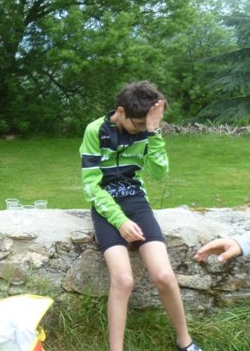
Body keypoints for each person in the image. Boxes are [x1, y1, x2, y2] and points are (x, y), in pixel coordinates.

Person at [79, 81, 201, 351]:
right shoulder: (95, 130)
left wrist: (154, 132)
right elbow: (90, 185)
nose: (140, 131)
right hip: (105, 205)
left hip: (136, 201)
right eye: (137, 125)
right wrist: (119, 221)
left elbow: (158, 174)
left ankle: (185, 341)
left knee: (165, 277)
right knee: (123, 280)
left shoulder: (148, 130)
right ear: (120, 112)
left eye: (147, 125)